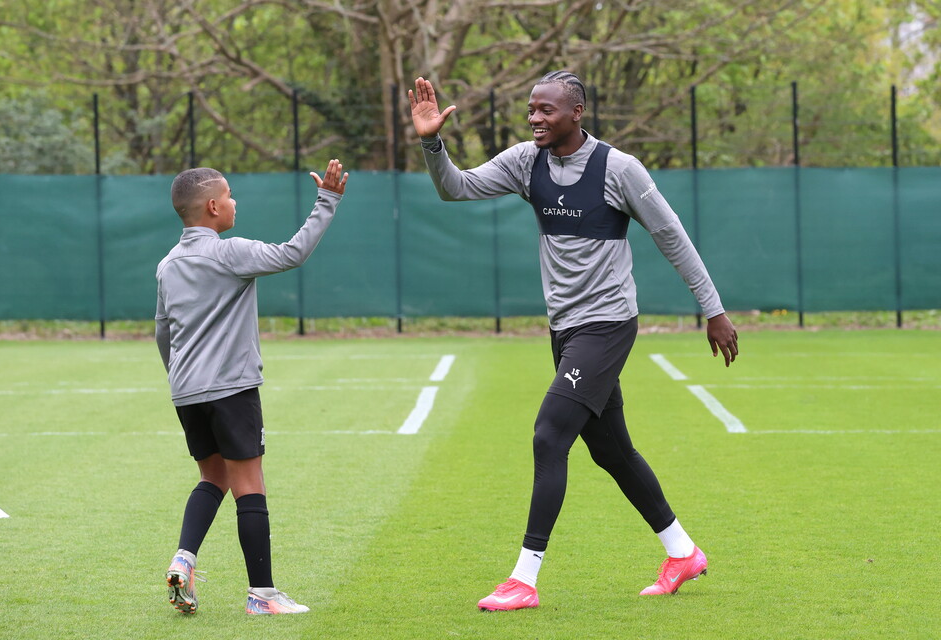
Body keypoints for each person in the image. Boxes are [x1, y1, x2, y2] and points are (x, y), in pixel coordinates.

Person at [408, 72, 738, 611]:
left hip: (607, 325)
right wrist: (430, 141)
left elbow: (670, 234)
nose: (535, 118)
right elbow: (456, 187)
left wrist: (714, 308)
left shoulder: (619, 169)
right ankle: (683, 553)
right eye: (531, 109)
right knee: (611, 450)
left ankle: (524, 579)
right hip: (565, 329)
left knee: (549, 434)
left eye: (547, 110)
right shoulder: (524, 161)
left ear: (577, 112)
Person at [155, 160, 348, 615]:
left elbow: (162, 332)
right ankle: (262, 595)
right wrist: (329, 200)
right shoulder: (228, 252)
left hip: (186, 392)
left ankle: (184, 559)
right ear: (213, 206)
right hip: (231, 389)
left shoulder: (167, 265)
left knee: (212, 476)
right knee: (248, 483)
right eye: (231, 195)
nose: (235, 201)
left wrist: (179, 377)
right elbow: (292, 253)